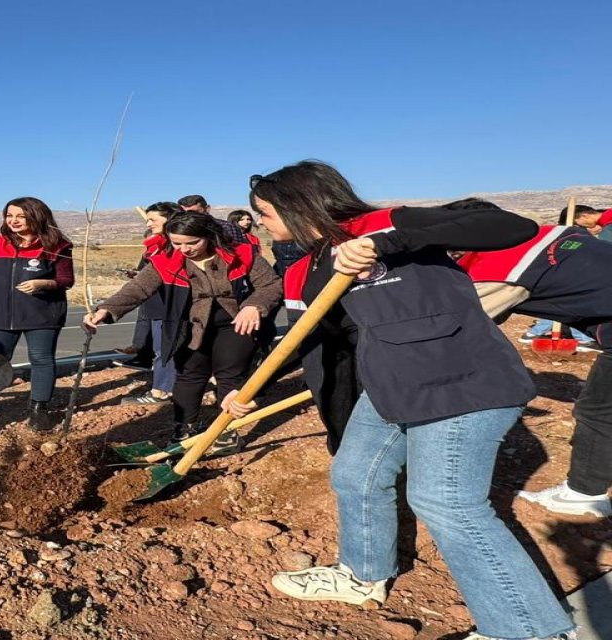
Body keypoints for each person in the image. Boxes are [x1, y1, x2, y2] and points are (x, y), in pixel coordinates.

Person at [236, 160, 574, 640]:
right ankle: (362, 575)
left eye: (265, 213)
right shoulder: (311, 266)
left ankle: (526, 630)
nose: (261, 224)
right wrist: (250, 389)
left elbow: (511, 227)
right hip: (391, 386)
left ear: (297, 205)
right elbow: (312, 341)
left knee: (445, 502)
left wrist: (384, 244)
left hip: (460, 382)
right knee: (355, 474)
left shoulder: (389, 223)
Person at [444, 198, 612, 518]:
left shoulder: (500, 269)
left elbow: (460, 327)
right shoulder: (552, 233)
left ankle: (583, 494)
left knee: (598, 410)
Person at [85, 212, 282, 447]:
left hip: (236, 325)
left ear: (209, 236)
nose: (184, 249)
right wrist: (105, 310)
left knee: (230, 376)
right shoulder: (166, 260)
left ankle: (225, 431)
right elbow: (137, 288)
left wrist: (254, 306)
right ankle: (184, 429)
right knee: (189, 375)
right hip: (189, 327)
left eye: (192, 242)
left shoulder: (242, 254)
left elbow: (271, 285)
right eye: (177, 243)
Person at [0, 197, 74, 431]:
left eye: (21, 216)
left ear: (37, 216)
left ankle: (39, 410)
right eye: (9, 216)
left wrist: (43, 283)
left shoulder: (57, 246)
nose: (13, 220)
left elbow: (66, 280)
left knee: (41, 359)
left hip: (42, 315)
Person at [119, 202, 183, 406]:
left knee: (165, 349)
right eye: (147, 220)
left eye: (153, 220)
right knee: (161, 348)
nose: (148, 224)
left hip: (173, 304)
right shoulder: (155, 247)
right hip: (157, 302)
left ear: (169, 219)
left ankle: (162, 390)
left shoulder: (178, 247)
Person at [518, 204, 606, 346]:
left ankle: (534, 333)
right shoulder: (570, 236)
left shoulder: (573, 234)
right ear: (583, 217)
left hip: (568, 276)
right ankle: (581, 339)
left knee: (565, 307)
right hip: (566, 277)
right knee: (570, 306)